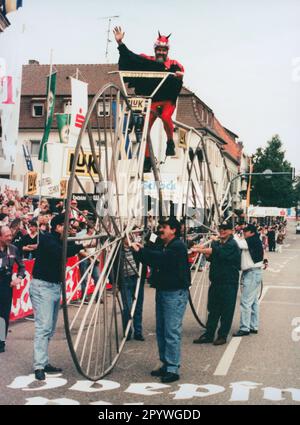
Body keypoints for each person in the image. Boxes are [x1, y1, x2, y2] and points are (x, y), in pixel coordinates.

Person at [114, 27, 184, 170]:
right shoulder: (147, 60)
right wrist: (120, 43)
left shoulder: (174, 64)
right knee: (144, 128)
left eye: (164, 50)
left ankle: (170, 142)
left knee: (165, 117)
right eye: (159, 49)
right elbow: (131, 58)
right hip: (153, 101)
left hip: (167, 102)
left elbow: (181, 72)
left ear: (167, 51)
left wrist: (178, 75)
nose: (161, 52)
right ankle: (146, 158)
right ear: (155, 49)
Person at [131, 217, 190, 383]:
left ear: (173, 230)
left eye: (164, 227)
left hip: (174, 293)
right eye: (160, 227)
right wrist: (142, 246)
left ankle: (173, 368)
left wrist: (140, 251)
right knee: (162, 330)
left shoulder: (177, 246)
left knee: (171, 331)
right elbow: (152, 247)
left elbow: (159, 259)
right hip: (164, 291)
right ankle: (165, 363)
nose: (160, 229)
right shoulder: (165, 244)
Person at [29, 214, 83, 380]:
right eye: (67, 227)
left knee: (50, 328)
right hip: (42, 286)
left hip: (54, 287)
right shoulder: (47, 239)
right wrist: (82, 244)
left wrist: (84, 242)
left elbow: (68, 248)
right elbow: (62, 252)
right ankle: (39, 365)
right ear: (59, 227)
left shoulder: (60, 241)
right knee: (43, 327)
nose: (70, 230)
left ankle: (44, 362)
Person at [192, 222, 241, 345]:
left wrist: (200, 249)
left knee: (226, 311)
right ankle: (209, 335)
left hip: (229, 282)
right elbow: (212, 256)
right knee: (213, 310)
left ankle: (222, 336)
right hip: (216, 281)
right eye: (221, 229)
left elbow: (218, 252)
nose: (222, 231)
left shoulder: (232, 244)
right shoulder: (218, 243)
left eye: (226, 229)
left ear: (231, 231)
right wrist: (202, 248)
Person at [233, 224, 264, 336]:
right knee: (254, 302)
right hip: (254, 272)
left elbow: (238, 244)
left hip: (251, 273)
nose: (244, 233)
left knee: (246, 302)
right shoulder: (255, 239)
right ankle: (253, 326)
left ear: (251, 232)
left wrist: (233, 234)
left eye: (245, 231)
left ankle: (244, 328)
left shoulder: (251, 240)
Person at [0, 226, 26, 353]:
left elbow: (22, 267)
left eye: (11, 235)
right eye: (7, 236)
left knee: (3, 315)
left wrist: (19, 278)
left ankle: (1, 342)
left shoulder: (13, 249)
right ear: (0, 237)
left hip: (6, 285)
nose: (10, 238)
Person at [120, 238, 144, 341]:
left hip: (136, 279)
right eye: (127, 236)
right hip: (125, 280)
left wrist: (140, 249)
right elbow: (113, 267)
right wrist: (115, 284)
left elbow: (143, 260)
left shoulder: (135, 249)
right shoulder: (118, 251)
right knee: (127, 308)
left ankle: (138, 332)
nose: (129, 238)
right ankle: (127, 332)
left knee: (138, 306)